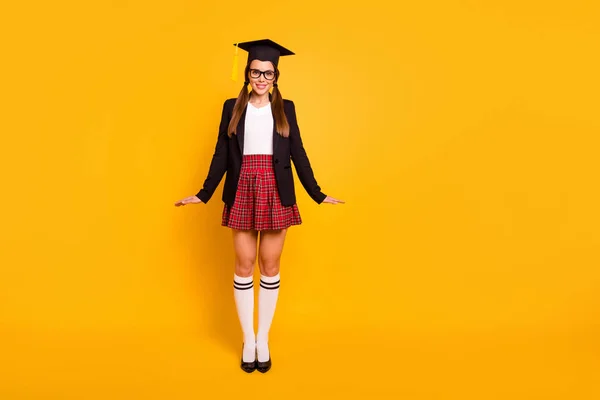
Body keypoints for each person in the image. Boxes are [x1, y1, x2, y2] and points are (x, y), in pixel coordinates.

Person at [174, 39, 344, 373]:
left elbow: (298, 152)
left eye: (267, 73)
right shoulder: (232, 107)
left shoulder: (286, 108)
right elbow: (221, 154)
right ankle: (248, 338)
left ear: (276, 75)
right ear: (248, 73)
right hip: (242, 187)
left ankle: (263, 339)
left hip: (275, 187)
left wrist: (317, 193)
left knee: (269, 265)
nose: (261, 78)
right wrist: (204, 193)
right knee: (244, 263)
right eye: (255, 72)